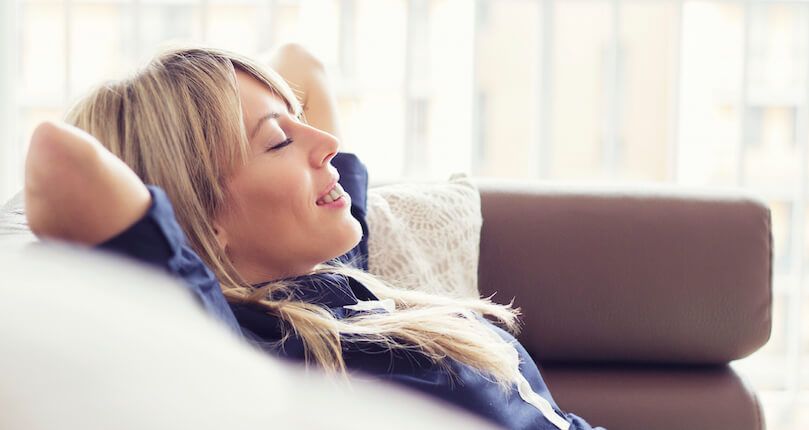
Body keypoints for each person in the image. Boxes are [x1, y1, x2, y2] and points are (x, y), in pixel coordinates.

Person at [24, 44, 604, 430]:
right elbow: (58, 159)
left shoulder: (324, 277)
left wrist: (222, 89)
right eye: (279, 142)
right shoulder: (241, 343)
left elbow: (301, 62)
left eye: (296, 118)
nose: (325, 140)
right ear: (201, 218)